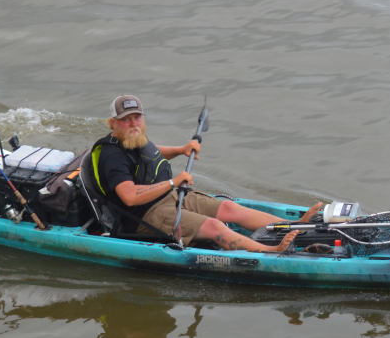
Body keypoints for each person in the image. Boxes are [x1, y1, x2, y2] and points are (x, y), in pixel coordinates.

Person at [89, 95, 322, 252]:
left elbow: (151, 154)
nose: (133, 123)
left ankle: (293, 227)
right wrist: (173, 181)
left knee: (229, 209)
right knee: (213, 226)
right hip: (143, 216)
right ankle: (272, 251)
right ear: (113, 123)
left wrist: (181, 150)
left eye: (137, 117)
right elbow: (129, 195)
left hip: (167, 198)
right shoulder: (112, 155)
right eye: (125, 119)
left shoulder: (132, 137)